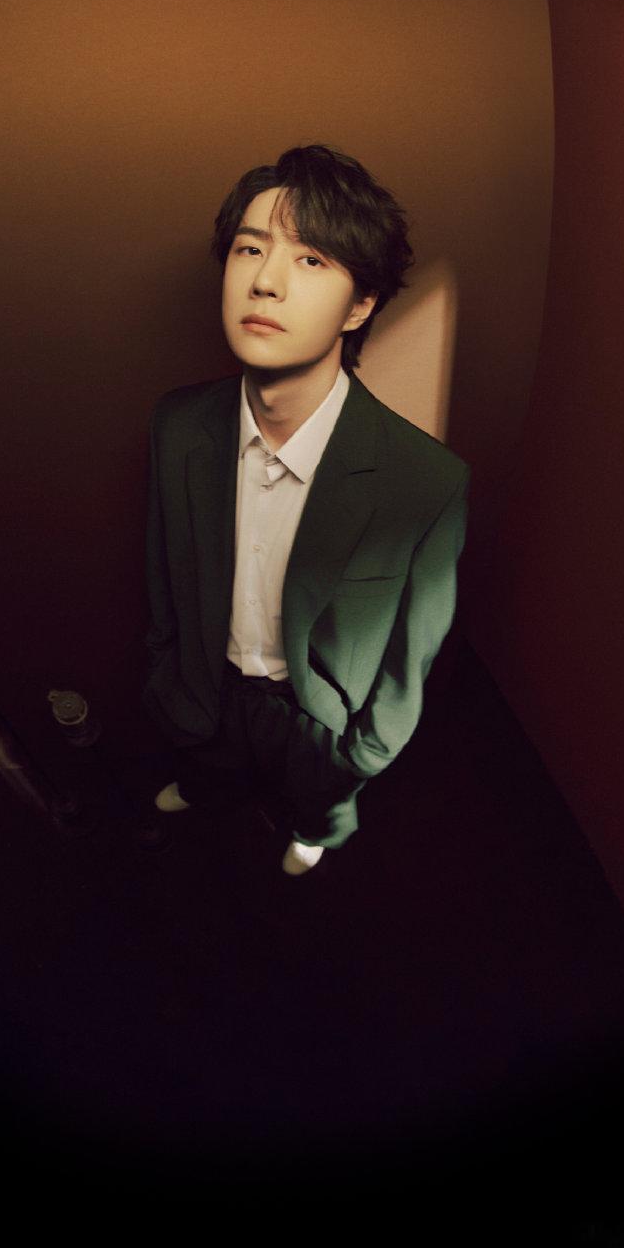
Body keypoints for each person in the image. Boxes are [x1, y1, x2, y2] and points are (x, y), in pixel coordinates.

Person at [142, 143, 470, 875]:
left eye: (311, 258)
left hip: (319, 720)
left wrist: (363, 755)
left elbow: (410, 657)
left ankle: (314, 831)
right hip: (206, 687)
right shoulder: (178, 426)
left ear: (360, 305)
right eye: (249, 249)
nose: (264, 280)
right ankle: (204, 784)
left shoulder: (427, 482)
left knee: (318, 805)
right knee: (209, 766)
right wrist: (168, 675)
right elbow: (163, 567)